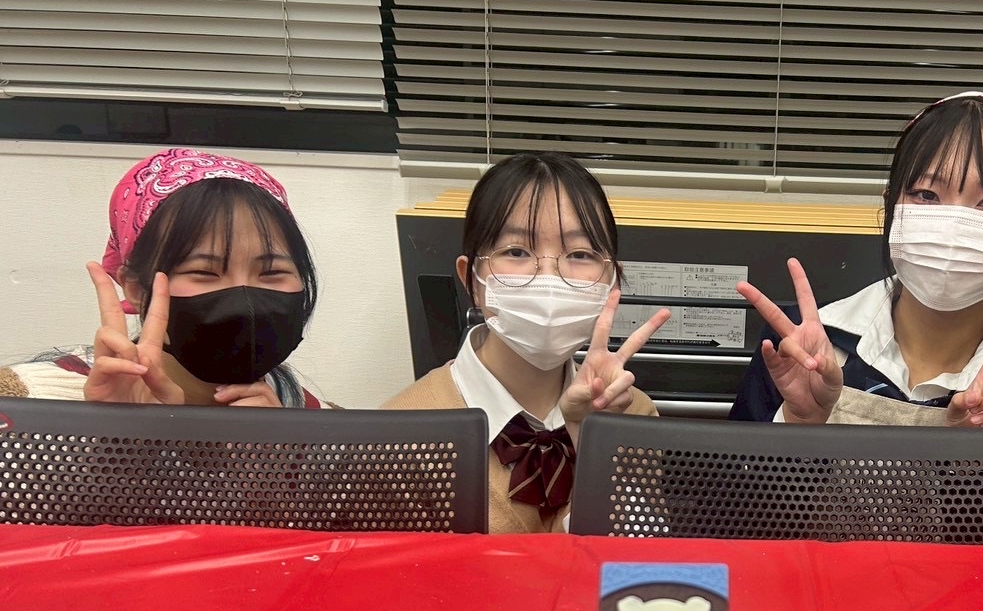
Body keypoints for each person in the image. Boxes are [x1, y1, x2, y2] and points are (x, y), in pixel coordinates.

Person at [730, 91, 983, 427]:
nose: (953, 224)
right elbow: (731, 483)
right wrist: (798, 423)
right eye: (926, 195)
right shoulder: (797, 346)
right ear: (892, 206)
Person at [383, 152, 670, 534]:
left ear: (610, 281)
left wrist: (596, 443)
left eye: (580, 254)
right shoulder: (401, 435)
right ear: (471, 279)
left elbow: (636, 557)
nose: (548, 277)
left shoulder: (633, 414)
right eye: (516, 251)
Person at [0, 149, 328, 408]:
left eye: (272, 272)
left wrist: (276, 463)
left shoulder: (310, 416)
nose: (245, 299)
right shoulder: (24, 401)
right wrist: (117, 438)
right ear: (135, 288)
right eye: (204, 272)